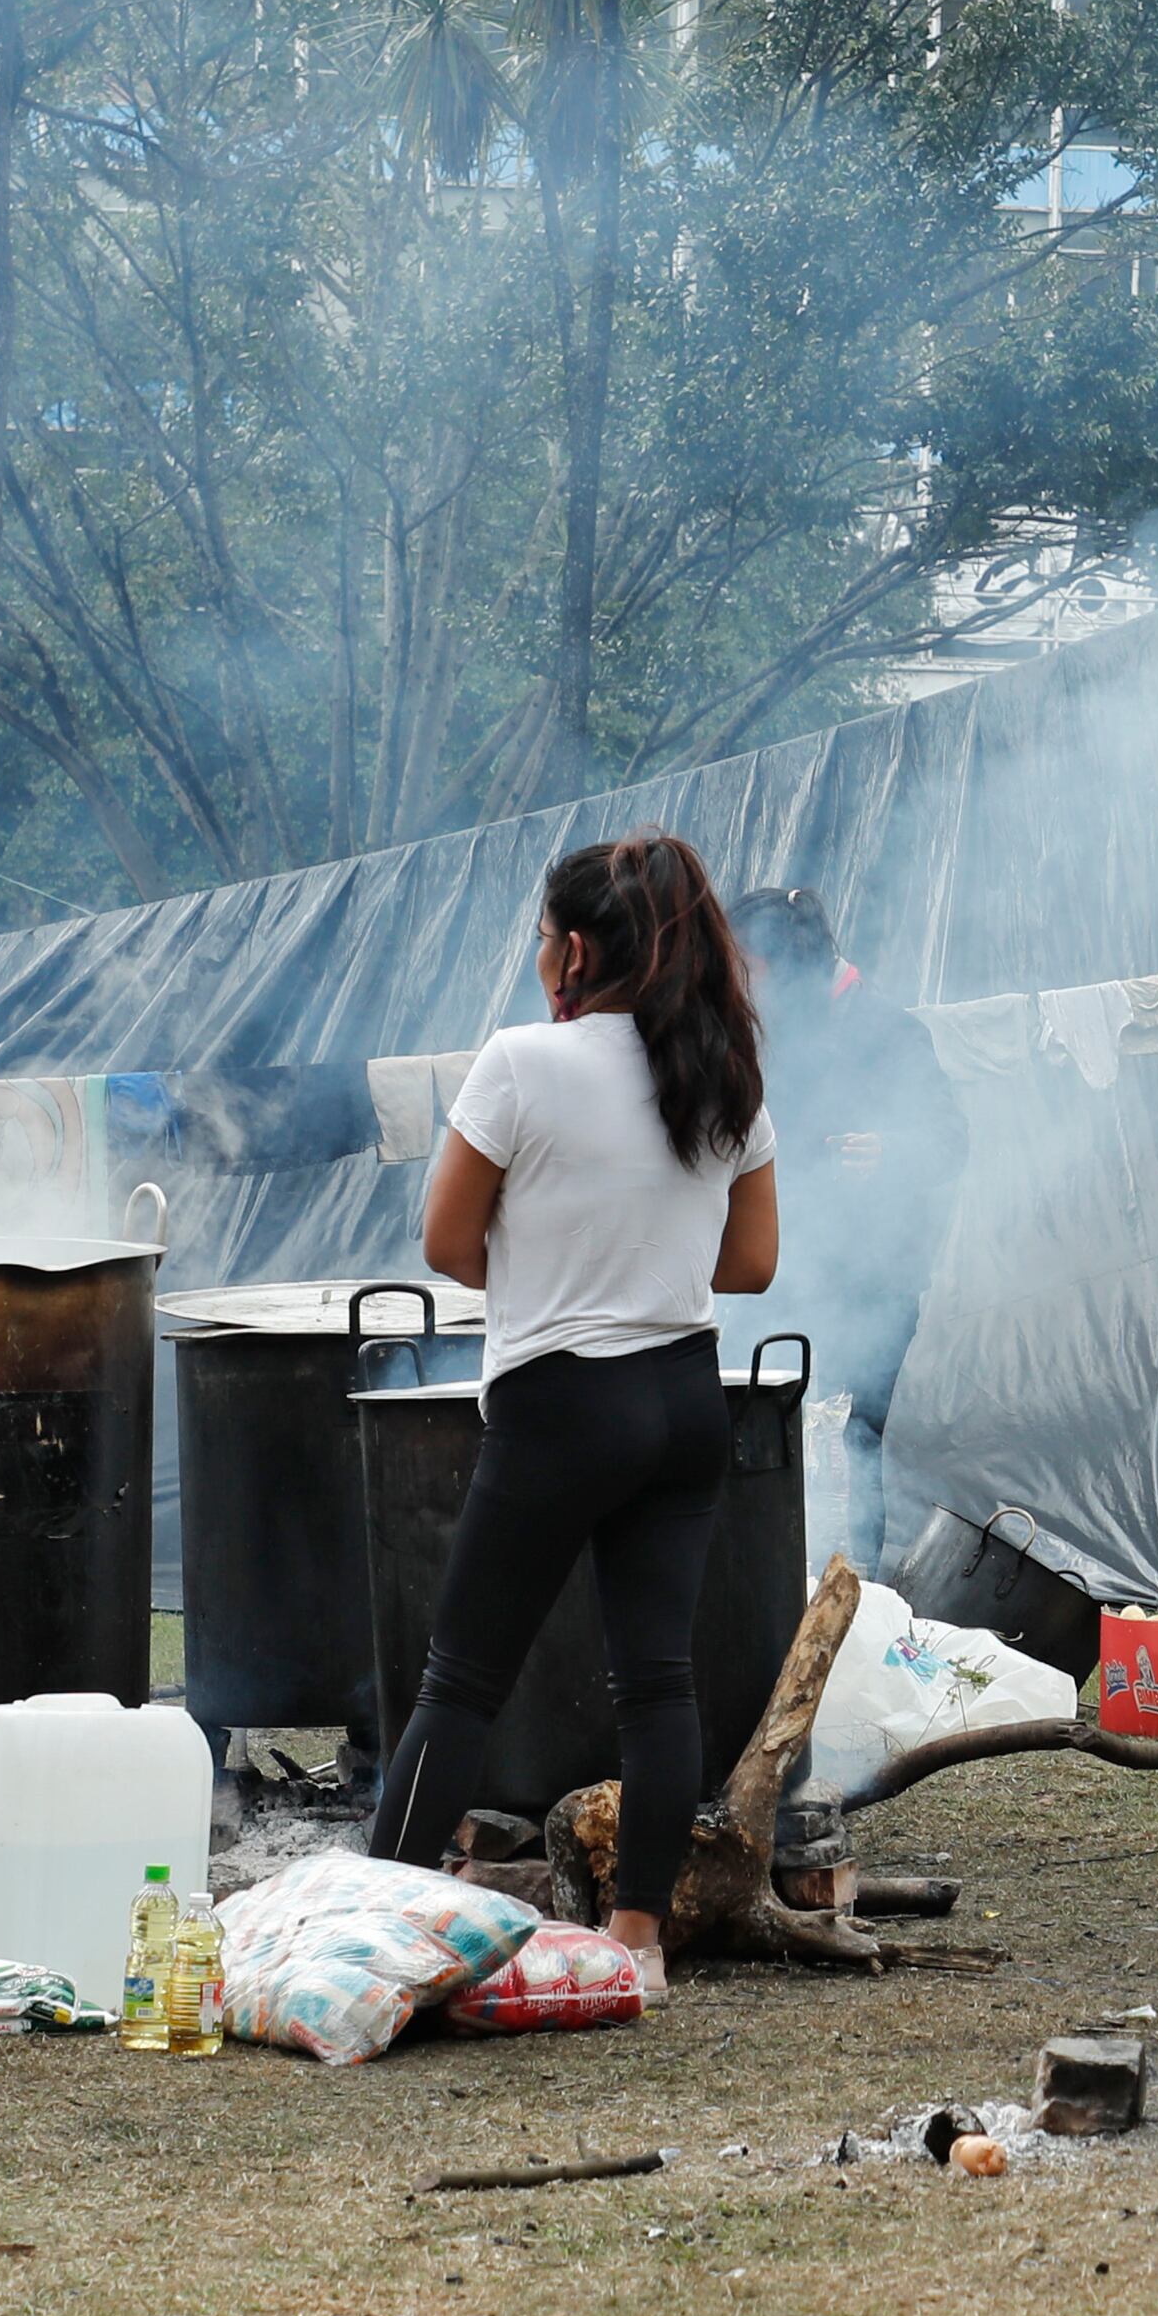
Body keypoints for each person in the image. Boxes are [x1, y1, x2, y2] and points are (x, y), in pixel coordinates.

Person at [369, 835, 778, 2004]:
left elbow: (446, 1245)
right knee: (656, 1684)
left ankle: (373, 1920)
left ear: (579, 947)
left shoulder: (520, 1063)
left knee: (460, 1682)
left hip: (563, 1400)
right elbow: (749, 1262)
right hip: (684, 1395)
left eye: (545, 936)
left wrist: (556, 1262)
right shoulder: (724, 1069)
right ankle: (637, 1944)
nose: (540, 955)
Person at [726, 886, 962, 1567]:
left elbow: (951, 1138)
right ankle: (769, 1589)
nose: (740, 980)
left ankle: (851, 1598)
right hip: (779, 1278)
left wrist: (892, 1148)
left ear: (790, 961)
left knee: (850, 1447)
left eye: (750, 966)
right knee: (766, 1438)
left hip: (874, 1285)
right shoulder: (764, 1034)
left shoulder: (887, 1029)